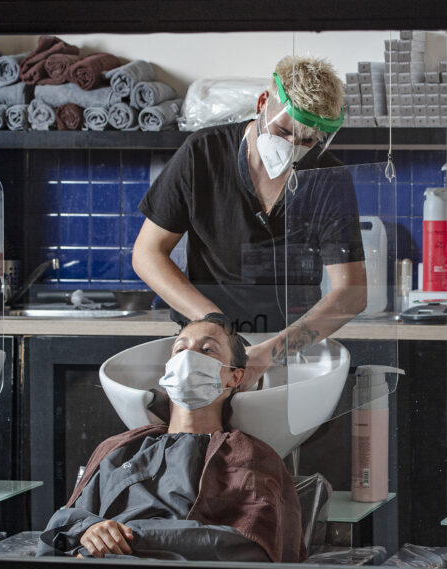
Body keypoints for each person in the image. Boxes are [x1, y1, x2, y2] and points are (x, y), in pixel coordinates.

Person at [0, 313, 305, 569]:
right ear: (166, 371)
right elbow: (66, 522)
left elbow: (250, 547)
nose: (190, 357)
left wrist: (128, 539)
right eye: (180, 349)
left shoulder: (246, 454)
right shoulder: (120, 448)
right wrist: (89, 530)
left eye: (207, 350)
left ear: (235, 376)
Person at [133, 55, 367, 390]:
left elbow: (351, 293)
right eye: (283, 131)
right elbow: (147, 254)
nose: (291, 148)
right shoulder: (203, 153)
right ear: (262, 103)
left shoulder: (328, 176)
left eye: (306, 140)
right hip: (208, 344)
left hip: (289, 347)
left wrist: (269, 353)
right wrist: (214, 323)